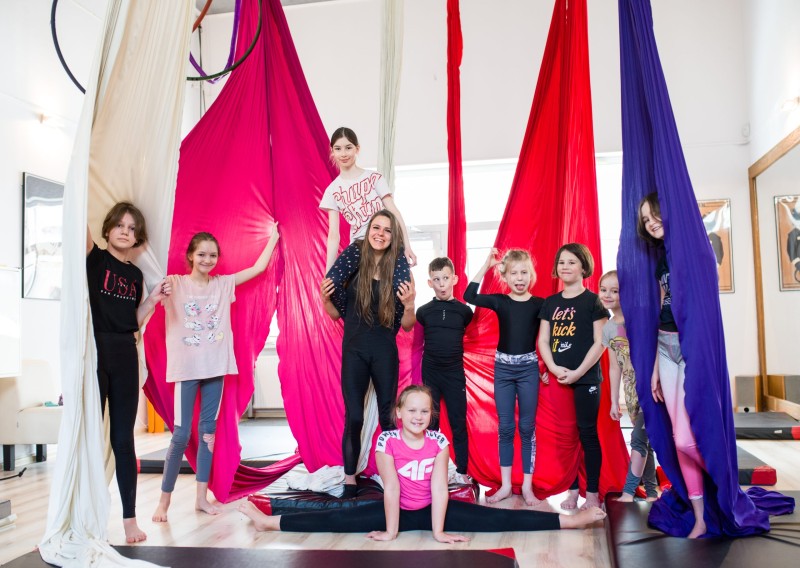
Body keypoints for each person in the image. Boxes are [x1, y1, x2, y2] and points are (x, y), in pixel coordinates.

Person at [238, 385, 606, 541]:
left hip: (433, 508)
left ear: (431, 415)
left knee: (500, 518)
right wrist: (391, 532)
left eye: (425, 411)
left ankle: (570, 522)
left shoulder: (438, 441)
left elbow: (439, 488)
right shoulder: (387, 441)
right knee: (335, 518)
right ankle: (269, 522)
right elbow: (392, 488)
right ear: (398, 412)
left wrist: (439, 531)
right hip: (395, 509)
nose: (418, 417)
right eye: (411, 410)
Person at [152, 225, 280, 522]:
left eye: (212, 255)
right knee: (181, 435)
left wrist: (274, 236)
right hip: (186, 370)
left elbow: (258, 269)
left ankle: (201, 498)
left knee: (208, 433)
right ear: (190, 256)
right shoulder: (174, 283)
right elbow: (149, 276)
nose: (207, 260)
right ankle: (163, 502)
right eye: (201, 255)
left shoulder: (223, 284)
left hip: (216, 368)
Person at [86, 201, 169, 543]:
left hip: (124, 354)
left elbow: (132, 320)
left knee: (123, 440)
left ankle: (129, 520)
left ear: (138, 238)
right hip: (94, 353)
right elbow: (78, 219)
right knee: (87, 438)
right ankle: (79, 517)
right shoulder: (95, 259)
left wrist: (153, 300)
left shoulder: (135, 276)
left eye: (132, 228)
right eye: (119, 225)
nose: (125, 231)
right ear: (107, 229)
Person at [320, 210, 416, 497]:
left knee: (388, 419)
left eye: (387, 230)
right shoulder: (355, 259)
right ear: (368, 230)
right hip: (355, 352)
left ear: (393, 237)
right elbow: (336, 313)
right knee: (354, 418)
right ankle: (350, 479)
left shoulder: (398, 266)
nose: (380, 234)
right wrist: (325, 299)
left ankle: (392, 478)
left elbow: (407, 325)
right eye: (376, 228)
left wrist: (410, 304)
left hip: (384, 352)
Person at [639, 192, 707, 538]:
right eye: (646, 220)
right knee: (678, 435)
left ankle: (722, 482)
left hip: (689, 347)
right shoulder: (662, 260)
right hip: (665, 348)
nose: (651, 223)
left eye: (655, 216)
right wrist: (654, 365)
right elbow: (663, 303)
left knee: (685, 439)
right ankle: (700, 517)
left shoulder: (691, 250)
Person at [463, 248, 544, 505]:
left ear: (531, 275)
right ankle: (506, 485)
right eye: (514, 273)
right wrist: (487, 266)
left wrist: (548, 368)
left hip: (529, 369)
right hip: (504, 370)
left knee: (527, 427)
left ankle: (527, 486)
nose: (519, 278)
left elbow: (548, 339)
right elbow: (468, 295)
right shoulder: (500, 301)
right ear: (505, 277)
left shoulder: (540, 304)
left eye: (524, 272)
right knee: (506, 427)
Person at [538, 243, 608, 511]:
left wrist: (578, 372)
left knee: (587, 433)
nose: (565, 267)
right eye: (561, 262)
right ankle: (572, 490)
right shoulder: (550, 303)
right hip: (558, 378)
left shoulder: (593, 301)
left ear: (583, 267)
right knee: (566, 437)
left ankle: (592, 493)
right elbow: (543, 340)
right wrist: (554, 369)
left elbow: (600, 342)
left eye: (571, 262)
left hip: (586, 380)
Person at [320, 126, 416, 271]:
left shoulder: (374, 178)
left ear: (357, 149)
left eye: (348, 148)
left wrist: (407, 245)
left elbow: (394, 211)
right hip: (359, 245)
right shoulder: (332, 191)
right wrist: (328, 271)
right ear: (332, 151)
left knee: (402, 281)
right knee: (334, 279)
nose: (343, 153)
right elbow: (334, 234)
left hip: (384, 238)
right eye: (338, 149)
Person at [599, 270, 658, 503]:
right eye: (604, 290)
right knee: (645, 442)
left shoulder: (639, 319)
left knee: (638, 438)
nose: (608, 295)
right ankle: (652, 492)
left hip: (650, 390)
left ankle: (629, 491)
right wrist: (615, 400)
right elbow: (615, 367)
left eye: (615, 291)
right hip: (631, 393)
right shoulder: (608, 328)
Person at [416, 257, 474, 483]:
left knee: (458, 421)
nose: (442, 284)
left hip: (454, 373)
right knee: (431, 422)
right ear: (430, 282)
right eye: (437, 279)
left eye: (446, 278)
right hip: (431, 371)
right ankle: (431, 469)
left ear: (454, 279)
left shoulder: (464, 311)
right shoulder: (423, 312)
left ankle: (462, 471)